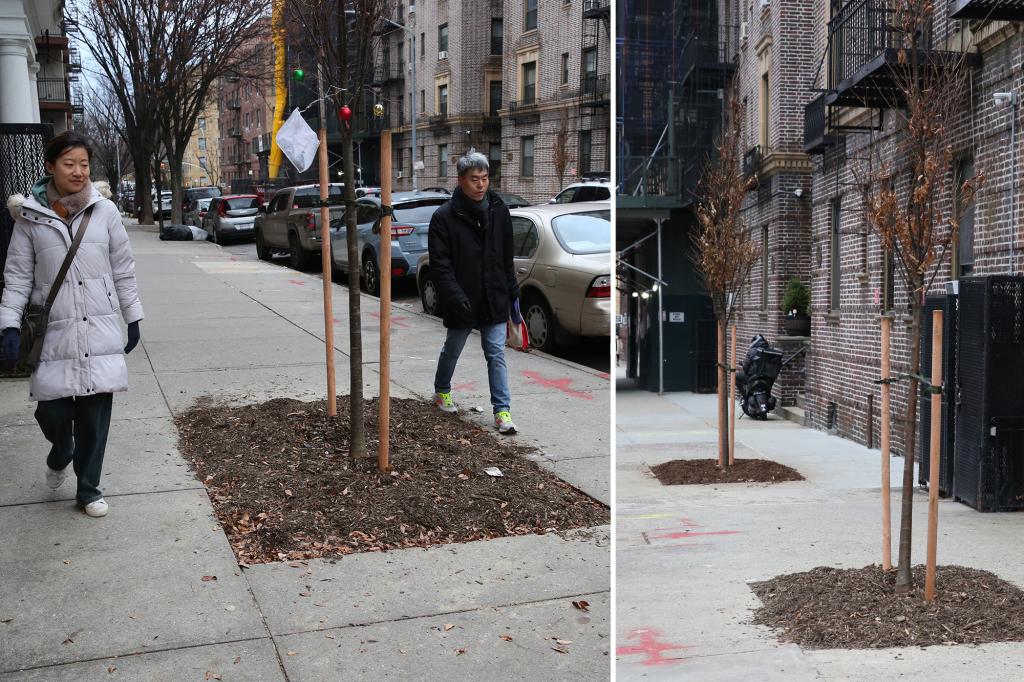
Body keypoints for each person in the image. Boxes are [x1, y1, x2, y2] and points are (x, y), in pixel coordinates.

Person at [0, 131, 144, 518]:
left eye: (84, 164)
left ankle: (89, 489)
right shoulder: (29, 217)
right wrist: (9, 326)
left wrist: (132, 317)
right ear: (50, 167)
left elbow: (123, 271)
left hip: (99, 327)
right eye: (69, 164)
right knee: (53, 414)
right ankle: (61, 450)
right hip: (53, 333)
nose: (79, 172)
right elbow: (17, 277)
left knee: (95, 418)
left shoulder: (106, 212)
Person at [428, 148, 521, 434]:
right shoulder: (444, 217)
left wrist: (513, 294)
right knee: (453, 349)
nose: (480, 184)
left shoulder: (499, 210)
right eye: (474, 179)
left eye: (484, 178)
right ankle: (442, 390)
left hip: (494, 297)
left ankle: (502, 412)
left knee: (495, 353)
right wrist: (456, 298)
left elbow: (506, 257)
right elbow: (440, 266)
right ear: (460, 180)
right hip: (463, 300)